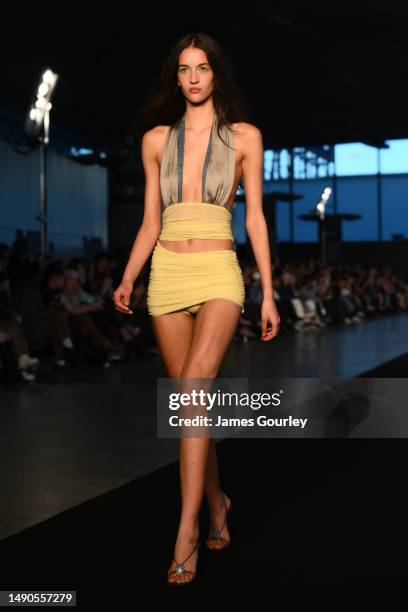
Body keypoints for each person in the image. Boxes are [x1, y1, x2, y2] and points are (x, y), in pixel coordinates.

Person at [113, 32, 280, 586]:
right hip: (165, 274)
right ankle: (217, 505)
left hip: (218, 273)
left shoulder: (245, 138)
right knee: (192, 407)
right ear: (176, 77)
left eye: (202, 68)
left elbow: (254, 217)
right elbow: (150, 223)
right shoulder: (156, 141)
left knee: (191, 393)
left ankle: (186, 531)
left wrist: (269, 291)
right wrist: (129, 276)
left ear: (215, 75)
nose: (193, 77)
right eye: (184, 69)